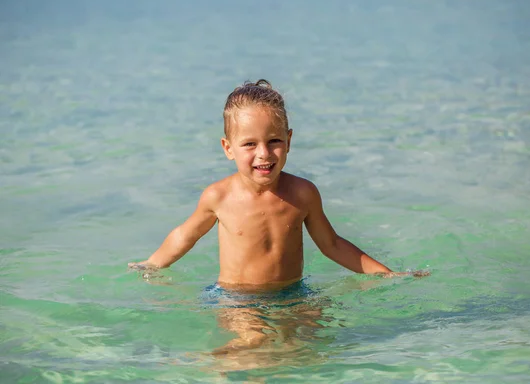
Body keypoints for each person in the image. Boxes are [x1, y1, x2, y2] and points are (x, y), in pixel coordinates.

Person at [129, 79, 429, 287]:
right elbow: (185, 235)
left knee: (313, 351)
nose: (263, 154)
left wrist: (386, 274)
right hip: (238, 298)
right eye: (249, 144)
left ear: (289, 141)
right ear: (228, 148)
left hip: (293, 294)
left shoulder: (302, 193)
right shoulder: (219, 196)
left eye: (274, 141)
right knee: (247, 353)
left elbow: (332, 245)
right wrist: (152, 265)